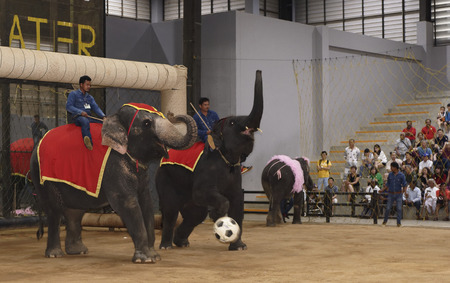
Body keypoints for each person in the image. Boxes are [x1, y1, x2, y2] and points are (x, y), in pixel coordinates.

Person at [193, 97, 251, 174]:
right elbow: (196, 131)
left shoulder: (213, 114)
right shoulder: (196, 117)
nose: (207, 106)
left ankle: (239, 166)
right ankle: (214, 164)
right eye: (205, 105)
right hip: (206, 136)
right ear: (200, 106)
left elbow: (219, 125)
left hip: (216, 135)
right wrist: (206, 132)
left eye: (208, 104)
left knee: (231, 143)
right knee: (211, 141)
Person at [66, 75, 106, 150]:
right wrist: (80, 112)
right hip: (77, 117)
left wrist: (103, 116)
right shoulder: (73, 94)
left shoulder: (89, 97)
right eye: (87, 85)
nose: (89, 87)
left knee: (101, 122)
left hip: (88, 117)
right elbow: (69, 107)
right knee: (84, 121)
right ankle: (88, 142)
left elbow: (95, 107)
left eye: (90, 85)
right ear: (81, 84)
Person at [381, 162, 407, 227]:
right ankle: (385, 221)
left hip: (398, 194)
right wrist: (383, 189)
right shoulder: (390, 174)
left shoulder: (402, 175)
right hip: (391, 193)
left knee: (399, 208)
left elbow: (404, 184)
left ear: (395, 168)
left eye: (391, 167)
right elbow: (388, 184)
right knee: (388, 208)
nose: (390, 168)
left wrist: (404, 192)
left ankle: (398, 223)